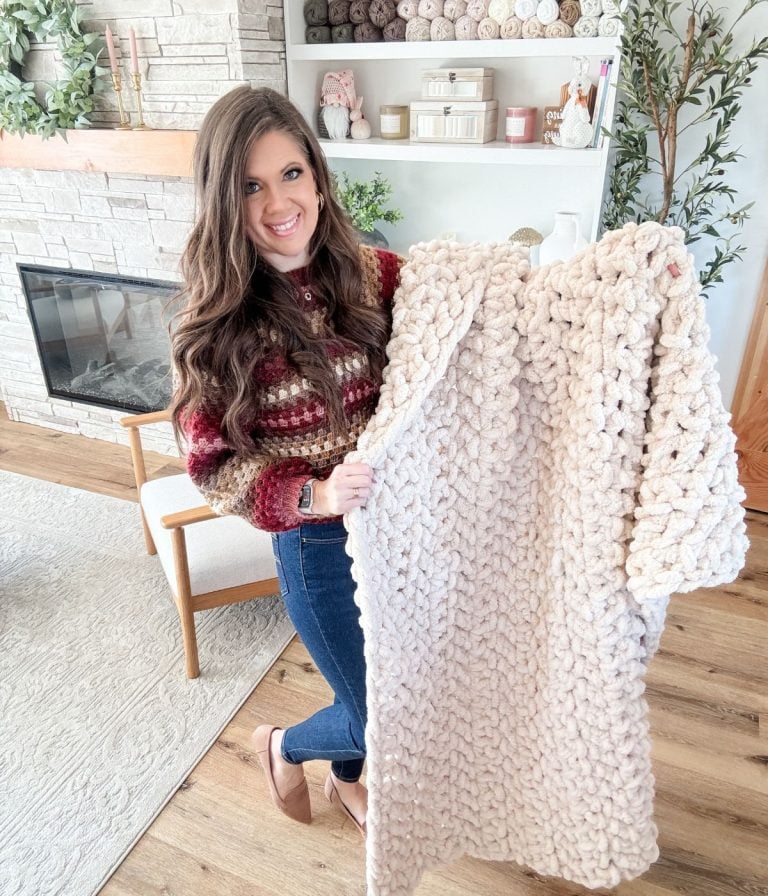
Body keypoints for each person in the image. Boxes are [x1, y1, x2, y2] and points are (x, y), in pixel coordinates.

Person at [169, 85, 403, 837]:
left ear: (318, 177)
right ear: (222, 201)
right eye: (250, 186)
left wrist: (622, 287)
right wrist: (315, 496)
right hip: (316, 547)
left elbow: (486, 303)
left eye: (291, 173)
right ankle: (283, 746)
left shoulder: (376, 274)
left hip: (398, 530)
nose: (278, 203)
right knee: (380, 711)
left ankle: (345, 777)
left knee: (390, 686)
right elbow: (211, 467)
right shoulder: (217, 325)